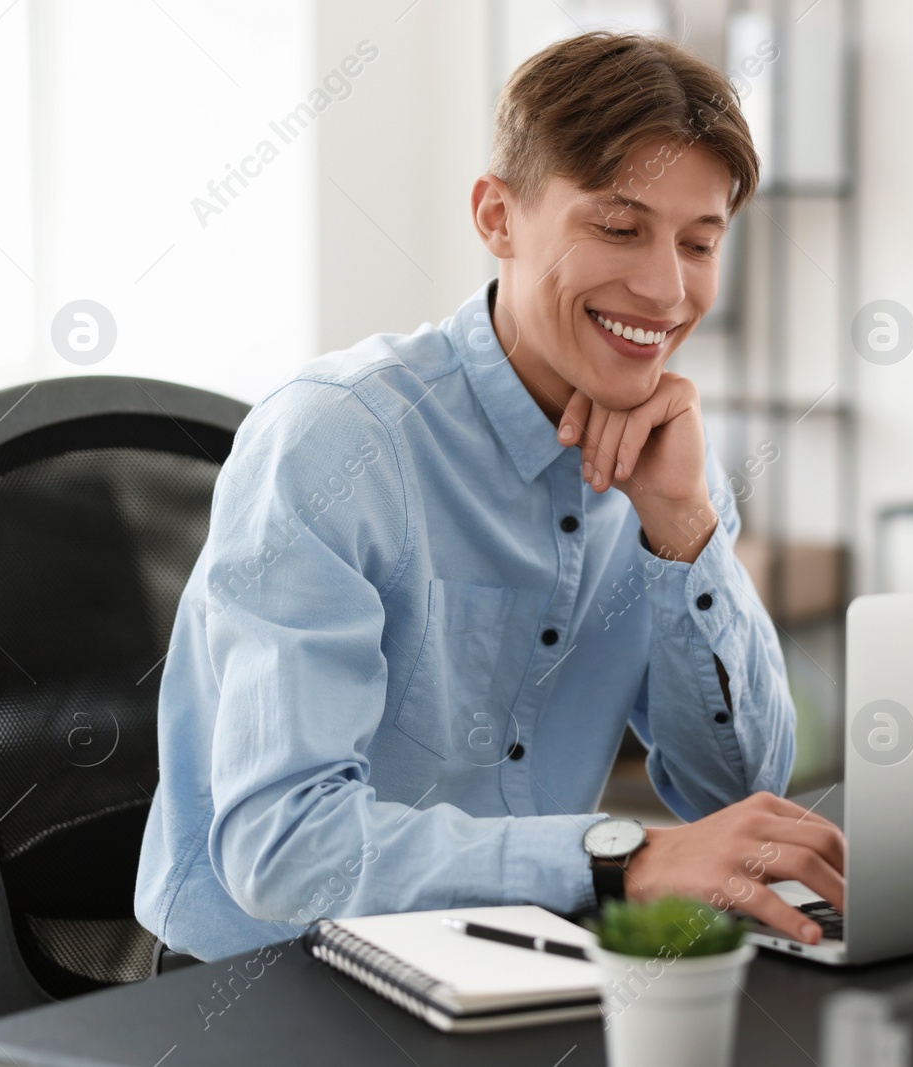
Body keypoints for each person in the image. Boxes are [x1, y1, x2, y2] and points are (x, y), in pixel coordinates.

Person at [135, 30, 845, 962]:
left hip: (514, 959)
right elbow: (286, 851)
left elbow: (737, 798)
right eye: (619, 228)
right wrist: (618, 859)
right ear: (497, 217)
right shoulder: (338, 439)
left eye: (699, 243)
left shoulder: (674, 466)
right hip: (269, 983)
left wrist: (684, 531)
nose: (667, 289)